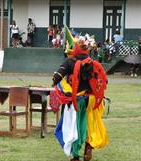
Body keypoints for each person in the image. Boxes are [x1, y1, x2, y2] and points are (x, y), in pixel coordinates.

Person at [52, 29, 109, 161]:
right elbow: (103, 80)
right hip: (91, 100)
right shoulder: (92, 62)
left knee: (74, 126)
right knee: (88, 123)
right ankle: (88, 146)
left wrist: (55, 81)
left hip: (76, 100)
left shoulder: (69, 62)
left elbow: (57, 77)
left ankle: (76, 155)